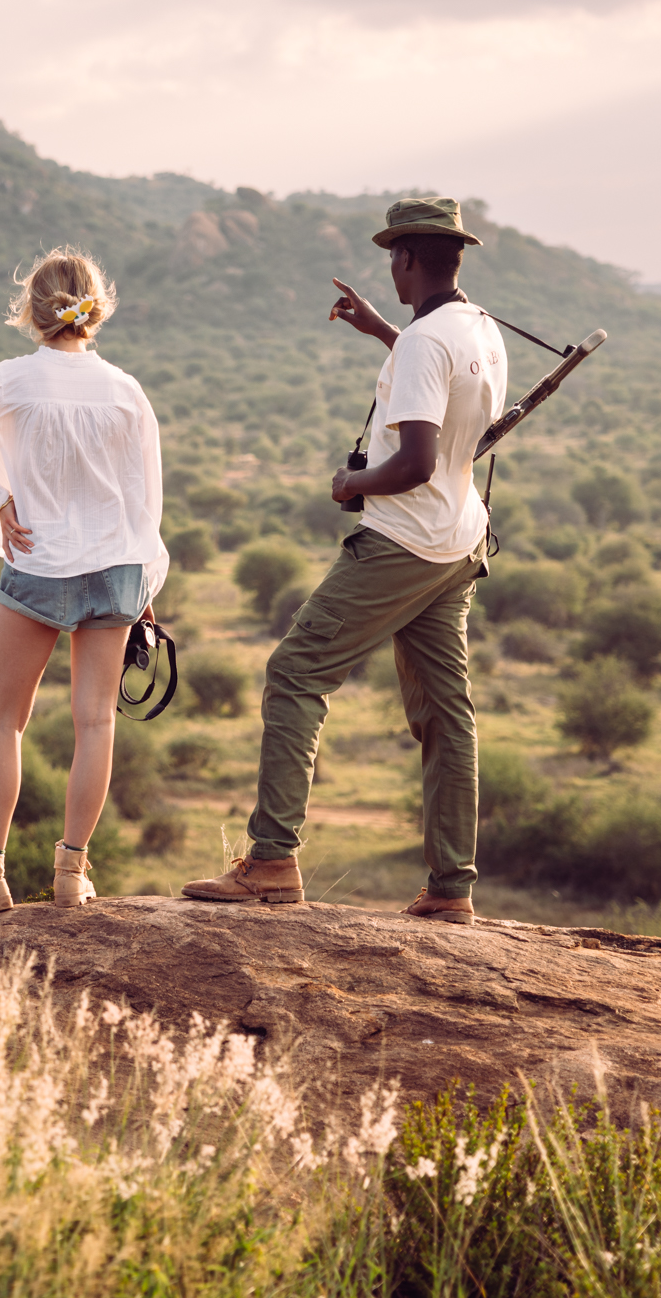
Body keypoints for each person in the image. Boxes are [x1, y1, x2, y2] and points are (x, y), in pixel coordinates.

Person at [183, 197, 504, 924]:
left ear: (407, 258)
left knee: (296, 672)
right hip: (458, 542)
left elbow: (415, 463)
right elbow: (441, 385)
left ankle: (272, 860)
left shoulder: (424, 343)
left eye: (393, 256)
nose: (391, 266)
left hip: (402, 542)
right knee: (446, 715)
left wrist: (349, 485)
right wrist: (384, 332)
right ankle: (451, 888)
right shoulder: (479, 329)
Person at [0, 246, 169, 920]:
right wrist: (147, 585)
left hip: (36, 561)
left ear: (32, 309)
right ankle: (72, 875)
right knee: (96, 722)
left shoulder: (7, 382)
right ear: (96, 309)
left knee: (5, 722)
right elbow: (146, 499)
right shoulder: (126, 390)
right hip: (117, 566)